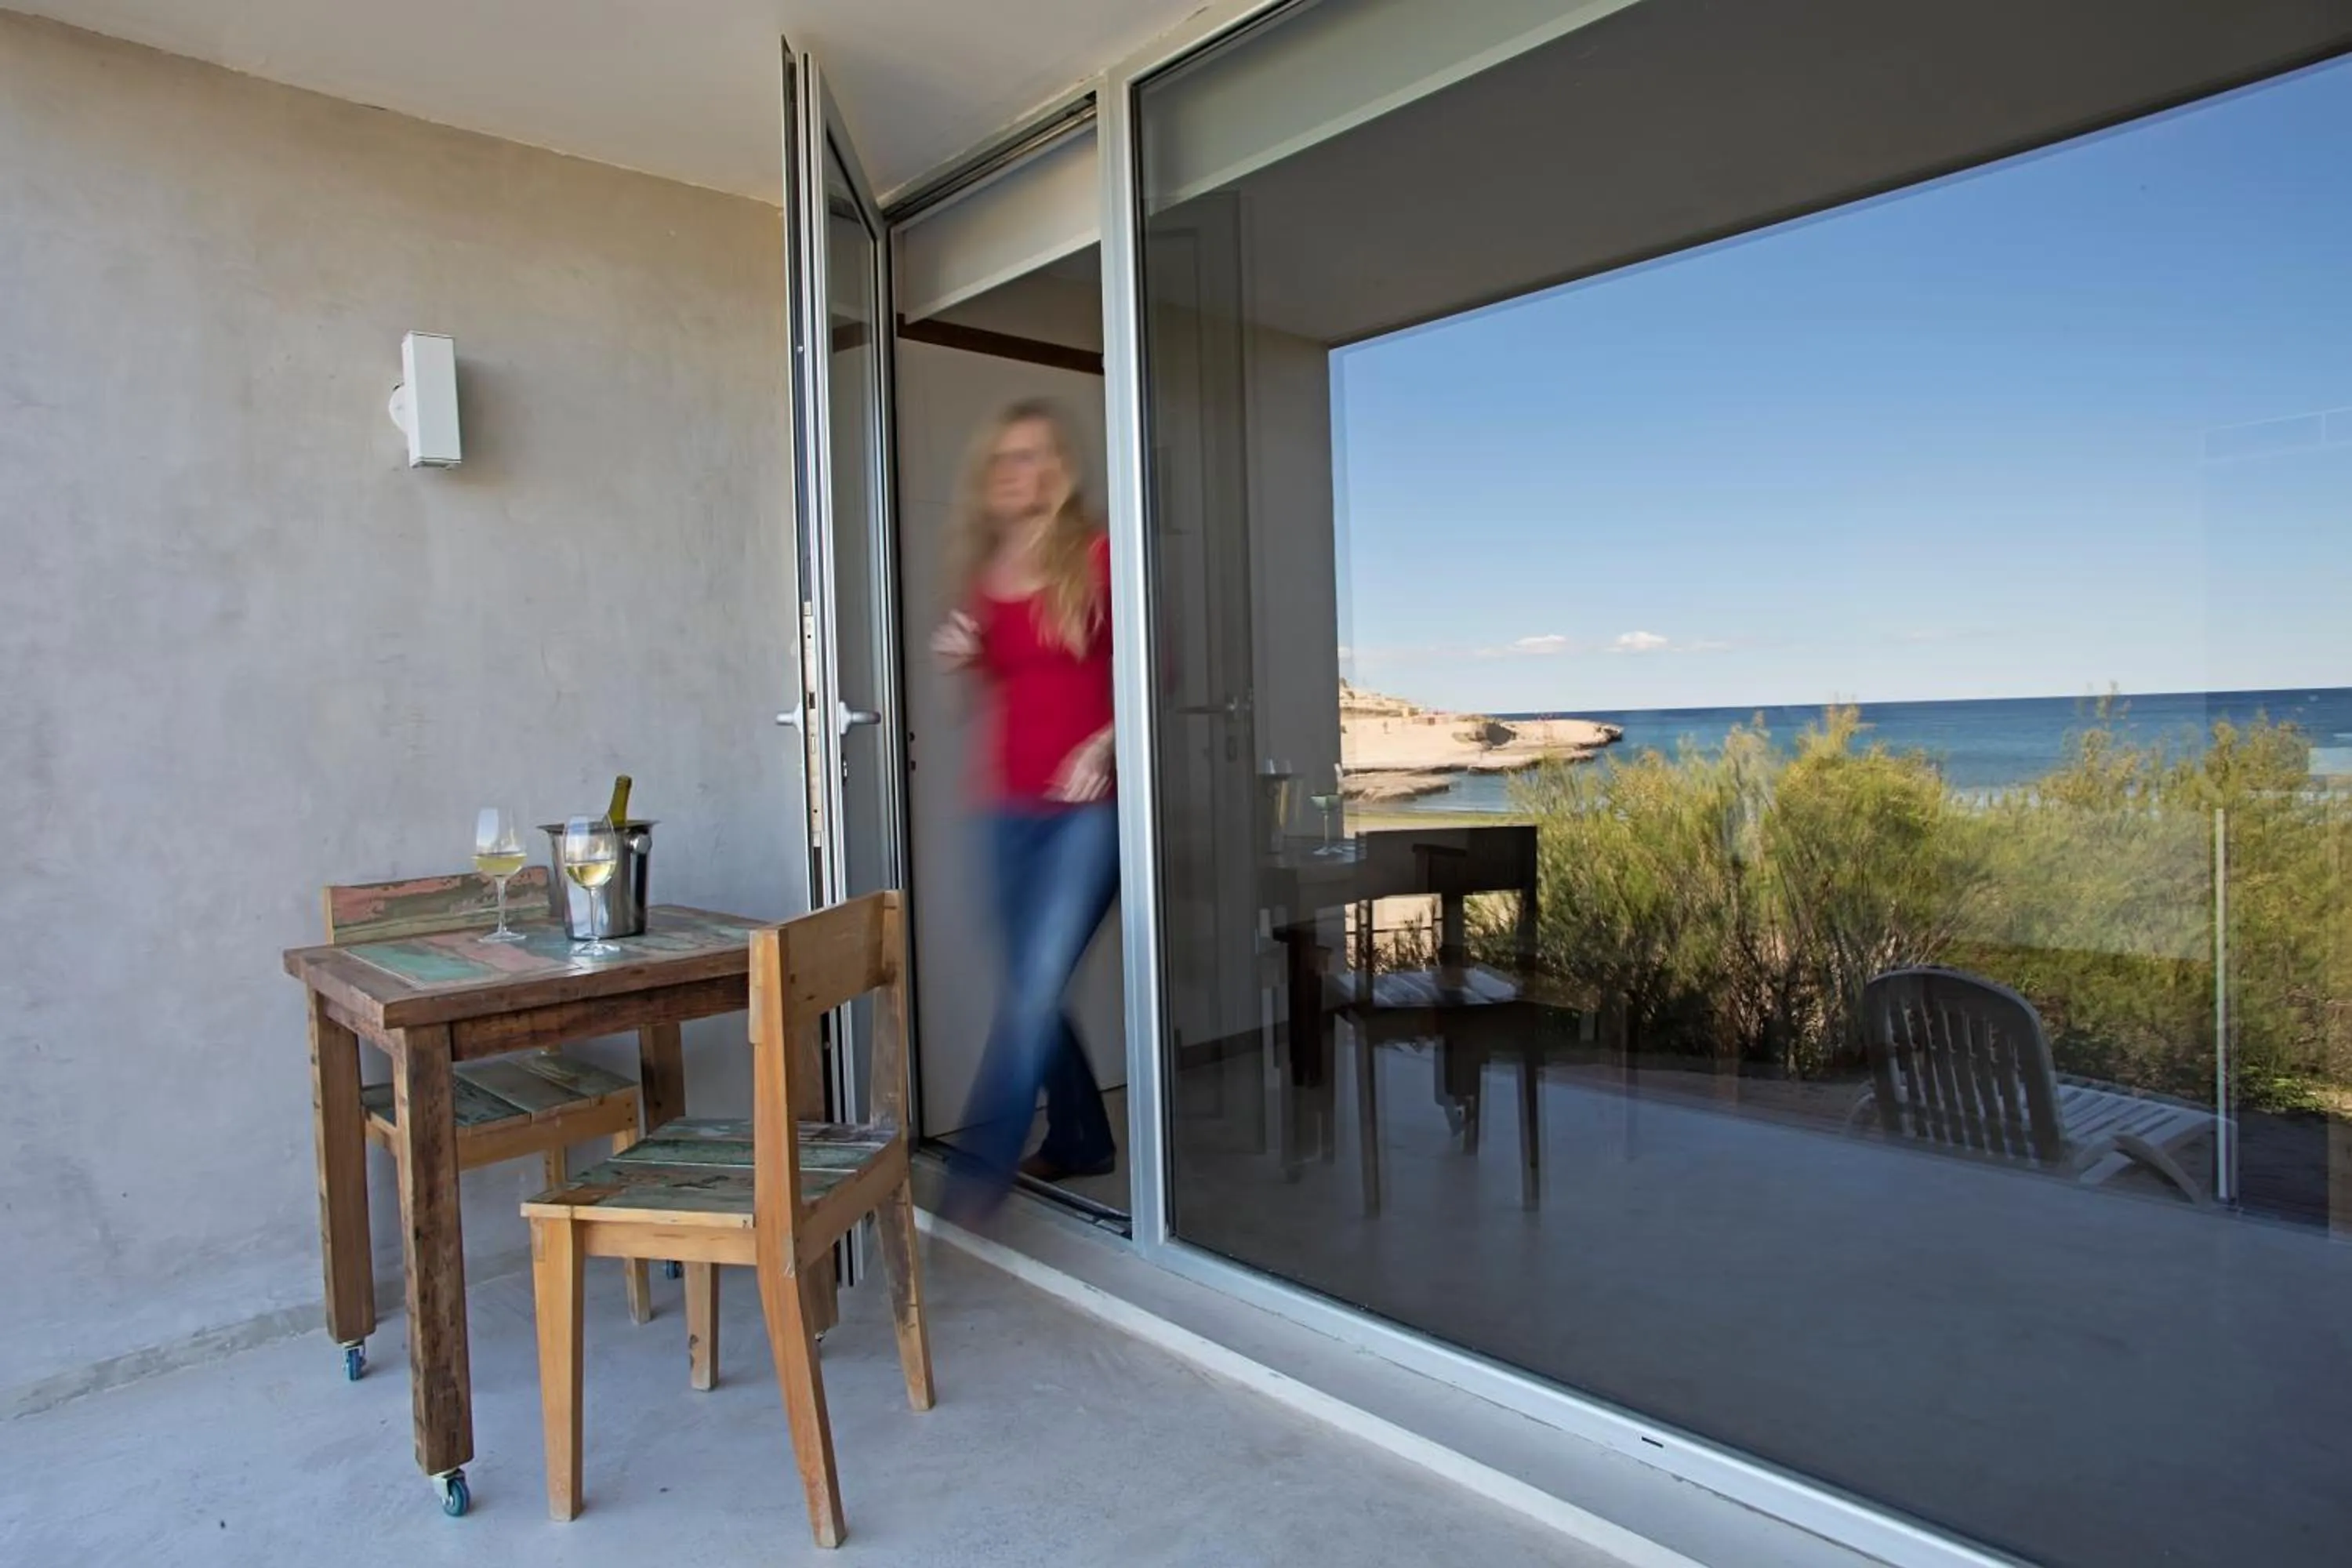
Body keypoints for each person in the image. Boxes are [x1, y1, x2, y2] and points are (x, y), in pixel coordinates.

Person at [932, 397, 1119, 1218]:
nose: (1019, 469)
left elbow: (1154, 672)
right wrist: (967, 656)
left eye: (1036, 454)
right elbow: (1016, 683)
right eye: (1006, 456)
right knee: (1028, 985)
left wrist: (1106, 744)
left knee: (1035, 982)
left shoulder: (1099, 556)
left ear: (1060, 469)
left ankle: (975, 1182)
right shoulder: (987, 579)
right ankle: (1081, 1140)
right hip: (1005, 807)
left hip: (1088, 810)